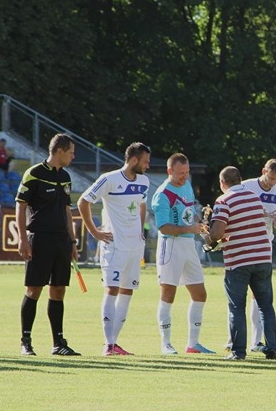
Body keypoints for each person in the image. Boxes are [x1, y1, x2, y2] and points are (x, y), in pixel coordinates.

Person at [78, 142, 151, 356]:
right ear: (134, 160)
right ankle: (108, 344)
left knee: (127, 292)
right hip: (114, 246)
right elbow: (84, 201)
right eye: (145, 162)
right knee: (112, 290)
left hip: (134, 247)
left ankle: (115, 343)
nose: (147, 166)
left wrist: (140, 233)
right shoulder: (109, 179)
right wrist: (95, 232)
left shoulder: (144, 181)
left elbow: (142, 205)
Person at [15, 133, 80, 356]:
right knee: (34, 289)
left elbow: (67, 211)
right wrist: (23, 239)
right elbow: (21, 206)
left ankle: (58, 343)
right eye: (71, 152)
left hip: (61, 240)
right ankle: (25, 342)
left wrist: (72, 241)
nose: (73, 156)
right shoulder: (34, 174)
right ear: (60, 151)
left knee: (59, 289)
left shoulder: (66, 177)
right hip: (39, 238)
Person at [205, 166, 276, 360]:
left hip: (239, 260)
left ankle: (238, 351)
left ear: (223, 183)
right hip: (263, 257)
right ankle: (271, 347)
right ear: (240, 179)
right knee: (265, 305)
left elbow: (218, 233)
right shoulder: (254, 197)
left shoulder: (224, 200)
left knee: (236, 306)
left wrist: (208, 234)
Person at [151, 153, 214, 355]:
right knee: (168, 294)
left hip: (188, 246)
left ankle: (193, 344)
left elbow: (190, 210)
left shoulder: (186, 185)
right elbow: (163, 228)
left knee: (200, 293)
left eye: (186, 172)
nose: (184, 177)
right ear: (170, 171)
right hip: (171, 246)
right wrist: (190, 229)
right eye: (180, 173)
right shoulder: (162, 194)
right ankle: (166, 344)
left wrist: (200, 225)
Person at [233, 158, 276, 352]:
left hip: (265, 246)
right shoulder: (246, 186)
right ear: (263, 170)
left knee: (259, 295)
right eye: (270, 178)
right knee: (237, 295)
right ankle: (233, 339)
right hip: (243, 244)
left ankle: (256, 341)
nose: (272, 183)